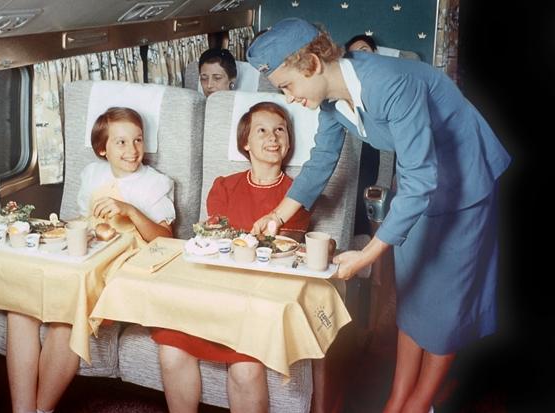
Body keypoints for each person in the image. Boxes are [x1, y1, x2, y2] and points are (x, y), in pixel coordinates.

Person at [246, 18, 511, 413]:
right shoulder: (330, 99)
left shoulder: (391, 84)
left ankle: (418, 404)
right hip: (418, 184)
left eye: (287, 86)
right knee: (415, 291)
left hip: (464, 181)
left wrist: (367, 254)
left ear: (313, 65)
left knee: (446, 305)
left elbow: (421, 178)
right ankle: (397, 399)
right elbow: (323, 158)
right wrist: (277, 215)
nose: (289, 97)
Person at [6, 107, 175, 413]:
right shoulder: (91, 175)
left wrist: (131, 211)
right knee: (19, 310)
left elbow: (165, 238)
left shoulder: (155, 183)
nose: (132, 149)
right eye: (121, 142)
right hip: (83, 256)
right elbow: (82, 219)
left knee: (66, 322)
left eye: (138, 140)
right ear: (102, 149)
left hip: (115, 268)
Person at [153, 102, 311, 413]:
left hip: (258, 297)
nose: (273, 137)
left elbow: (282, 251)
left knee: (246, 370)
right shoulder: (224, 186)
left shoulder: (296, 196)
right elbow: (216, 242)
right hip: (215, 290)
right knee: (171, 351)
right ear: (245, 143)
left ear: (289, 141)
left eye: (280, 130)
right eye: (261, 130)